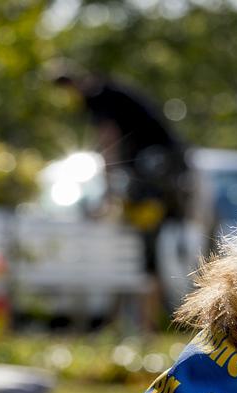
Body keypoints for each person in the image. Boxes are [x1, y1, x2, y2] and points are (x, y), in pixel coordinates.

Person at [52, 66, 190, 327]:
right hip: (161, 171)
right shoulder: (107, 91)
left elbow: (109, 144)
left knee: (144, 252)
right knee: (135, 253)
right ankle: (124, 321)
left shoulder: (97, 98)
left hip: (156, 175)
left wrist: (107, 191)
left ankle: (146, 322)